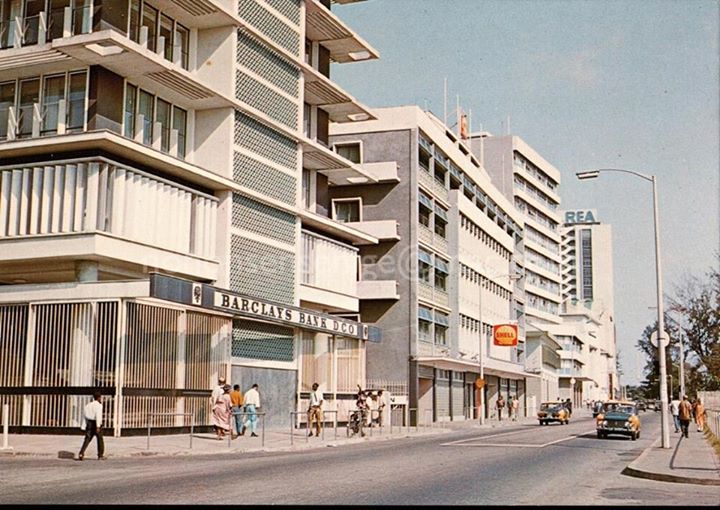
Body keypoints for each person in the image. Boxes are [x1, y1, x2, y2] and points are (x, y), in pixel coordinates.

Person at [77, 392, 106, 461]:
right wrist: (98, 426)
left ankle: (81, 453)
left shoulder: (88, 405)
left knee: (87, 439)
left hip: (89, 423)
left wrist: (84, 425)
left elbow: (85, 416)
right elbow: (98, 416)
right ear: (99, 398)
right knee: (100, 439)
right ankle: (100, 455)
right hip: (96, 423)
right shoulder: (99, 405)